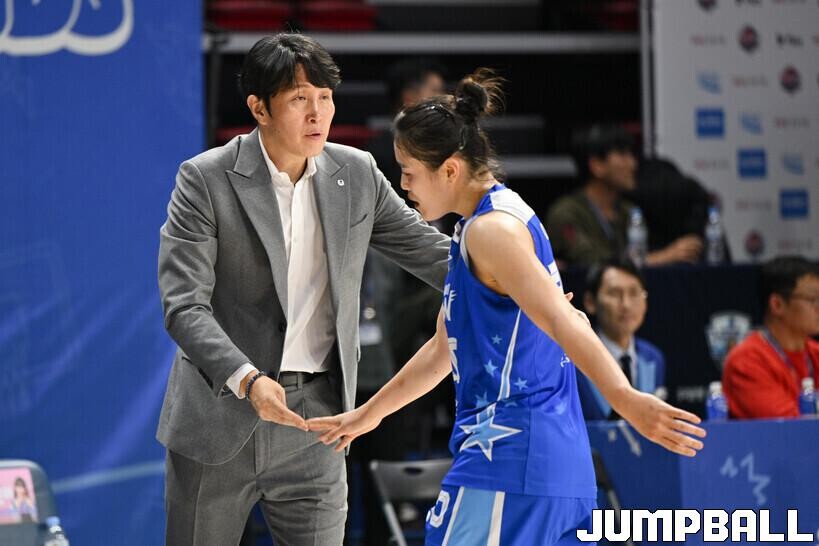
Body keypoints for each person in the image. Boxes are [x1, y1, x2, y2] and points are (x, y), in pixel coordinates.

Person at [308, 71, 705, 545]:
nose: (404, 183)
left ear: (450, 170)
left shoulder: (491, 231)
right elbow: (443, 349)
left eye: (409, 170)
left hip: (510, 460)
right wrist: (368, 414)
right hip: (547, 462)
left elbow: (562, 319)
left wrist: (626, 399)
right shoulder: (488, 222)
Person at [157, 33, 450, 546]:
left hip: (319, 418)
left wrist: (527, 282)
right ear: (259, 108)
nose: (318, 113)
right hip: (221, 415)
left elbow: (432, 253)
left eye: (325, 97)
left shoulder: (356, 172)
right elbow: (184, 306)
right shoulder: (205, 179)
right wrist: (248, 379)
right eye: (299, 99)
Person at [545, 124, 703, 267]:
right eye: (622, 154)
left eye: (631, 155)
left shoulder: (628, 211)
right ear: (597, 165)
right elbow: (589, 262)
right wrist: (664, 257)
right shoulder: (566, 213)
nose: (633, 164)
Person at [723, 256, 819, 419]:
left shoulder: (815, 352)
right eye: (813, 299)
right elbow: (789, 427)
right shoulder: (746, 362)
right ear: (777, 304)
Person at [575, 259, 666, 420]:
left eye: (634, 293)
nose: (626, 304)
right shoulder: (574, 358)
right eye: (614, 294)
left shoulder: (653, 358)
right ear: (590, 302)